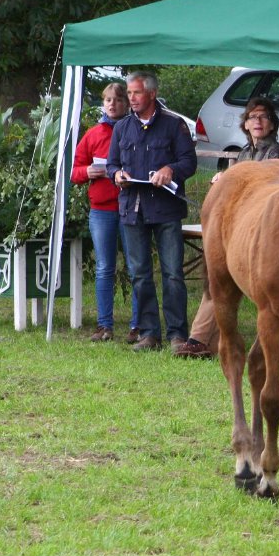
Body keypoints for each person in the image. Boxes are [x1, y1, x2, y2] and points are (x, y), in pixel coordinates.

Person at [176, 99, 279, 359]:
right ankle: (208, 339)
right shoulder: (244, 152)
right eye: (252, 117)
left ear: (272, 123)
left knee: (221, 280)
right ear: (245, 124)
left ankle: (198, 339)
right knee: (219, 279)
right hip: (237, 227)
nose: (257, 122)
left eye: (263, 117)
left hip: (264, 236)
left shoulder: (277, 155)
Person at [107, 71, 197, 353]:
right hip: (132, 209)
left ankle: (177, 334)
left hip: (166, 209)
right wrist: (117, 174)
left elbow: (189, 161)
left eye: (136, 93)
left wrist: (171, 169)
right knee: (140, 273)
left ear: (152, 94)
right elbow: (111, 165)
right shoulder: (122, 128)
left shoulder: (174, 125)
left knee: (172, 274)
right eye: (129, 94)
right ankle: (148, 334)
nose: (130, 99)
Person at [71, 82, 133, 341]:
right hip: (102, 210)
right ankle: (104, 325)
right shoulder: (93, 134)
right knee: (104, 268)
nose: (111, 104)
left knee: (135, 268)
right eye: (107, 99)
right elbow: (73, 172)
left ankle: (138, 326)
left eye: (118, 99)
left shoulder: (136, 131)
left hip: (132, 208)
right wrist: (88, 172)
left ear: (127, 103)